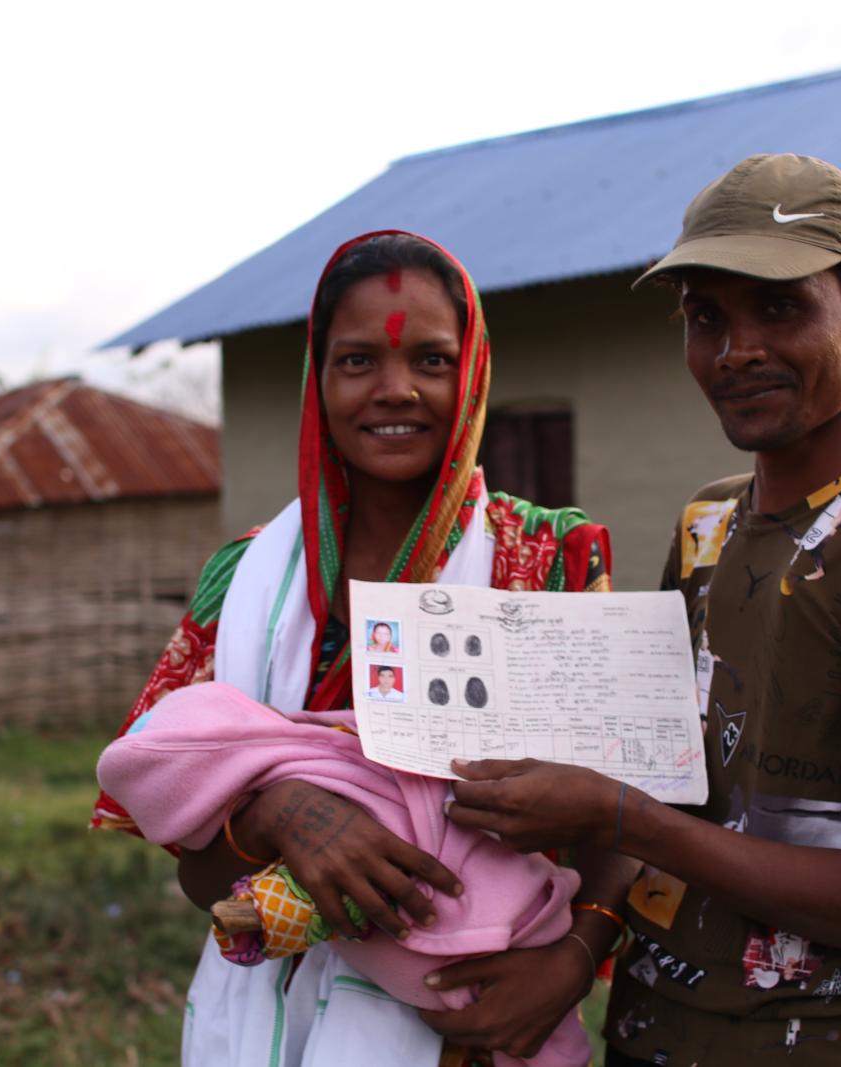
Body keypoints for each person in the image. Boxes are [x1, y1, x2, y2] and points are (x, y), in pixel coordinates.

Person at [444, 154, 841, 1065]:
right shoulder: (707, 526)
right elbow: (664, 782)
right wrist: (580, 947)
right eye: (706, 317)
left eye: (780, 307)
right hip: (649, 1029)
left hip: (829, 1043)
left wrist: (616, 814)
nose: (736, 349)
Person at [91, 230, 635, 1067]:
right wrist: (285, 812)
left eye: (431, 360)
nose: (395, 392)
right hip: (262, 1026)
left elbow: (631, 807)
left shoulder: (549, 562)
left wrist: (571, 964)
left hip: (476, 1024)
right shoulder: (243, 581)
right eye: (356, 363)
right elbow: (199, 876)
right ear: (318, 379)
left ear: (474, 372)